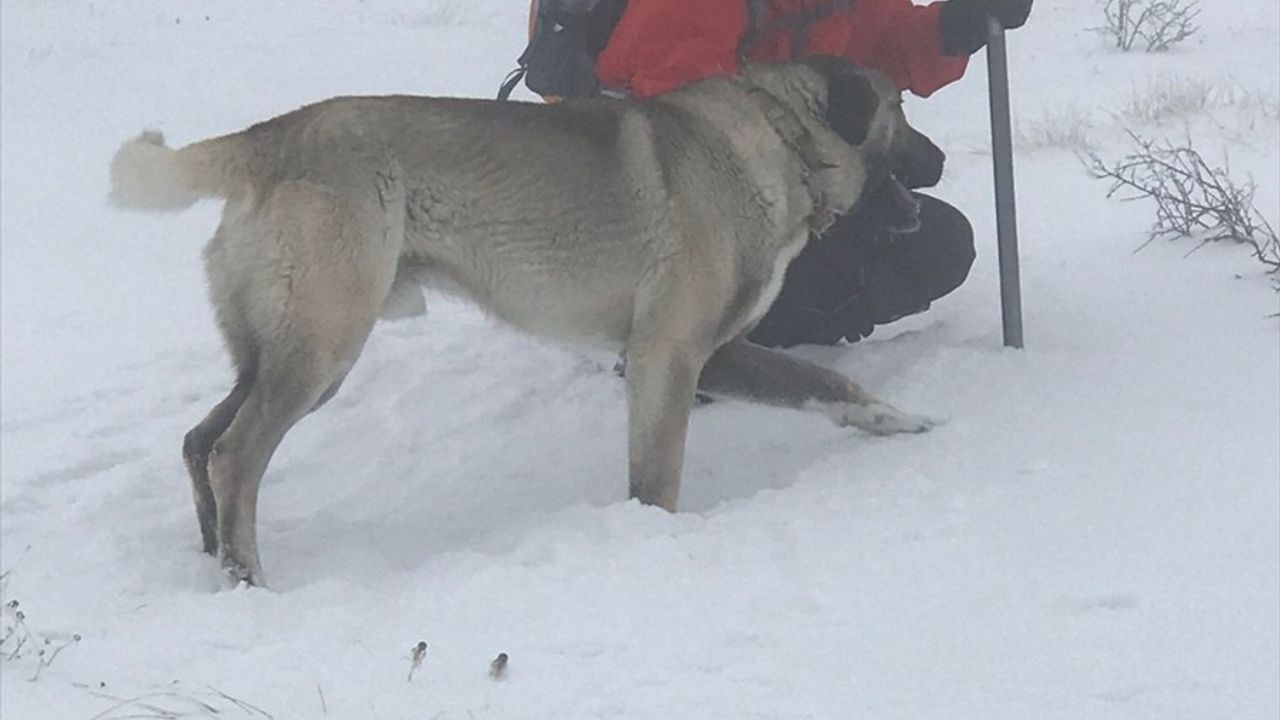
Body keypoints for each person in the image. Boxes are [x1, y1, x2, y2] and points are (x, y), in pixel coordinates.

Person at [506, 0, 1033, 347]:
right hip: (648, 213)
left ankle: (757, 329)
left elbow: (890, 41)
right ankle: (675, 344)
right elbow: (687, 151)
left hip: (764, 190)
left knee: (938, 247)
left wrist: (955, 26)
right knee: (821, 272)